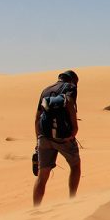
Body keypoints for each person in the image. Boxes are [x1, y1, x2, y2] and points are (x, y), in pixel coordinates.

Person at [33, 70, 80, 206]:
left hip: (44, 136)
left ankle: (35, 209)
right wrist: (75, 128)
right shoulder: (70, 87)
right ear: (73, 80)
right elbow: (70, 103)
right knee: (75, 166)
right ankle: (72, 200)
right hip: (63, 137)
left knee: (42, 176)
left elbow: (37, 118)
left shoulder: (45, 90)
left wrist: (38, 140)